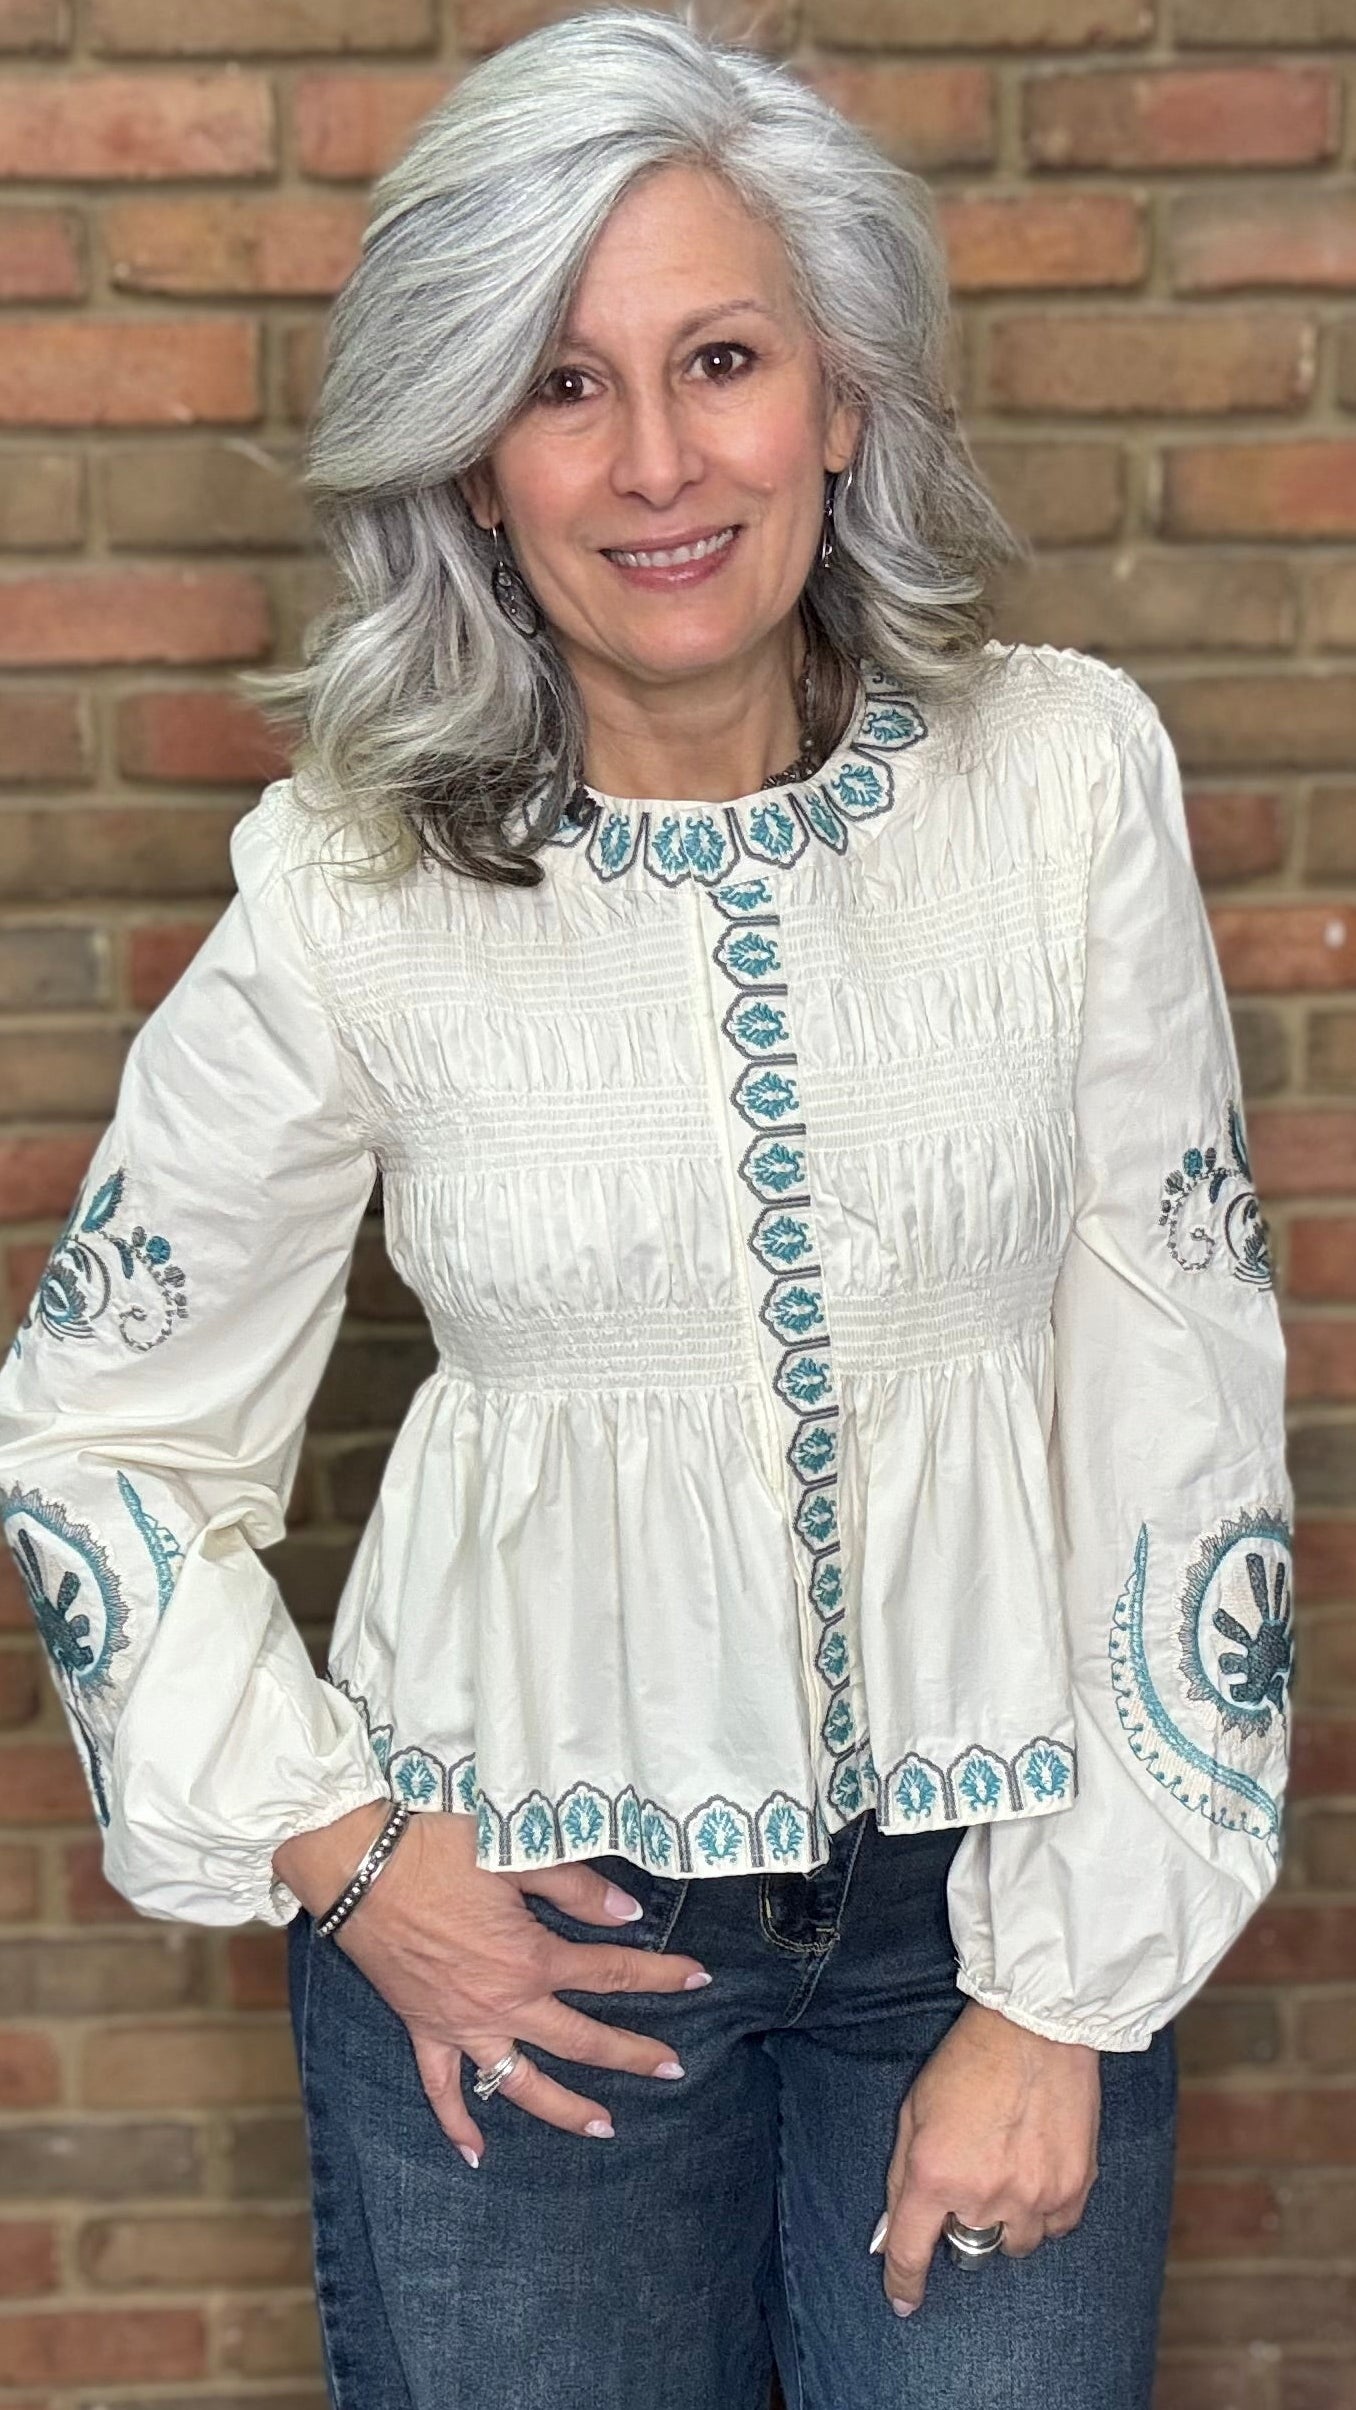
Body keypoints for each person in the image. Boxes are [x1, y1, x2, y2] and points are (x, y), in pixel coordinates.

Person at [0, 11, 1294, 2408]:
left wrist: (1066, 1988)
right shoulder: (349, 887)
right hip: (518, 1949)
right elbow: (93, 1429)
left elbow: (1178, 1389)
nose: (659, 463)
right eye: (560, 386)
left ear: (844, 398)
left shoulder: (1058, 783)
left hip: (995, 1912)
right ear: (476, 469)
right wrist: (353, 1856)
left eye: (720, 359)